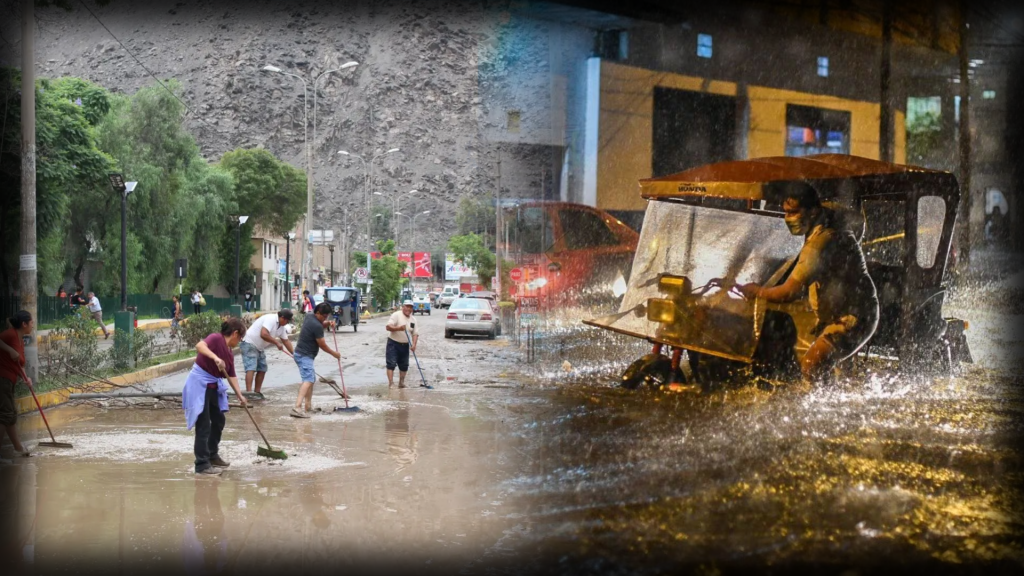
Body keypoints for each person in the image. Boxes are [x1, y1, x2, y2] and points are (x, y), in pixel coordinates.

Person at [738, 182, 879, 386]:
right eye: (785, 212)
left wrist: (756, 291)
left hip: (854, 318)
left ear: (812, 212)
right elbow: (855, 222)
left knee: (812, 367)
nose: (789, 218)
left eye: (794, 212)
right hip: (840, 311)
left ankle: (826, 413)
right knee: (832, 376)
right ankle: (834, 403)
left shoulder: (820, 244)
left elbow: (789, 293)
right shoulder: (827, 216)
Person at [182, 318, 248, 475]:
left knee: (219, 420)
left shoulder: (229, 353)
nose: (239, 342)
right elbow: (200, 346)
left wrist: (240, 396)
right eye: (240, 338)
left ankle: (212, 455)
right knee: (203, 425)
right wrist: (215, 357)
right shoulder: (216, 338)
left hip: (212, 387)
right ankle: (202, 464)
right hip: (199, 385)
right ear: (235, 333)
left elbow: (232, 376)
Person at [290, 302, 341, 418]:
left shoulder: (310, 316)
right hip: (304, 355)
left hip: (301, 354)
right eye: (323, 316)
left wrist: (327, 323)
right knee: (308, 379)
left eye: (327, 316)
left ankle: (307, 407)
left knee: (310, 379)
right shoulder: (317, 326)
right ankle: (297, 407)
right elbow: (322, 345)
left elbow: (320, 324)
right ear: (317, 313)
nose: (325, 318)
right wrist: (335, 354)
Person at [0, 311, 34, 462]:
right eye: (31, 322)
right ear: (24, 324)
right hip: (2, 379)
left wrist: (27, 379)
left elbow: (20, 364)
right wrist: (10, 350)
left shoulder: (21, 340)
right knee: (5, 415)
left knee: (10, 415)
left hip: (9, 381)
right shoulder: (11, 334)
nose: (33, 325)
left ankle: (18, 448)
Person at [241, 309, 294, 395]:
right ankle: (249, 393)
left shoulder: (281, 328)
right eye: (287, 321)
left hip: (260, 347)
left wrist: (294, 354)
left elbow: (286, 341)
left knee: (262, 368)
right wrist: (276, 343)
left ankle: (257, 392)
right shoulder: (271, 319)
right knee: (251, 367)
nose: (287, 323)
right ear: (283, 318)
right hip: (249, 343)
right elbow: (264, 334)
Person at [384, 300, 419, 389]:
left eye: (410, 307)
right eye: (407, 306)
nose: (408, 309)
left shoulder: (413, 320)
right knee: (391, 364)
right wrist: (399, 328)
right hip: (393, 343)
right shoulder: (396, 315)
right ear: (403, 307)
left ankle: (401, 382)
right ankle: (391, 383)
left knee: (404, 365)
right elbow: (388, 327)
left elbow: (415, 333)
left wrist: (414, 344)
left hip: (405, 345)